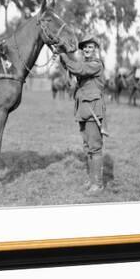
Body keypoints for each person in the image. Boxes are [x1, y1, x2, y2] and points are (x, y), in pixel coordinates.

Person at [59, 35, 107, 193]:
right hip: (83, 110)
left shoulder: (96, 64)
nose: (87, 49)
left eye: (90, 47)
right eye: (85, 47)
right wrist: (63, 56)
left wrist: (64, 56)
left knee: (95, 148)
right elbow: (74, 70)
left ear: (96, 50)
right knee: (88, 148)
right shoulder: (84, 64)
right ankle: (92, 180)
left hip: (93, 110)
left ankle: (97, 184)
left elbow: (78, 69)